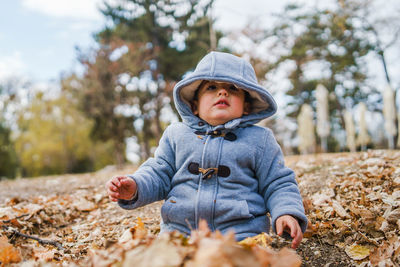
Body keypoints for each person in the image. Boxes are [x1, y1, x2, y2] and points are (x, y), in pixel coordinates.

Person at [106, 51, 307, 249]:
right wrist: (135, 186)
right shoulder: (176, 134)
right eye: (212, 87)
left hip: (241, 235)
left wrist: (286, 212)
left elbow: (278, 182)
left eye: (233, 88)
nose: (223, 92)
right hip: (180, 233)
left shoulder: (260, 140)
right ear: (194, 105)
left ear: (246, 106)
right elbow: (159, 172)